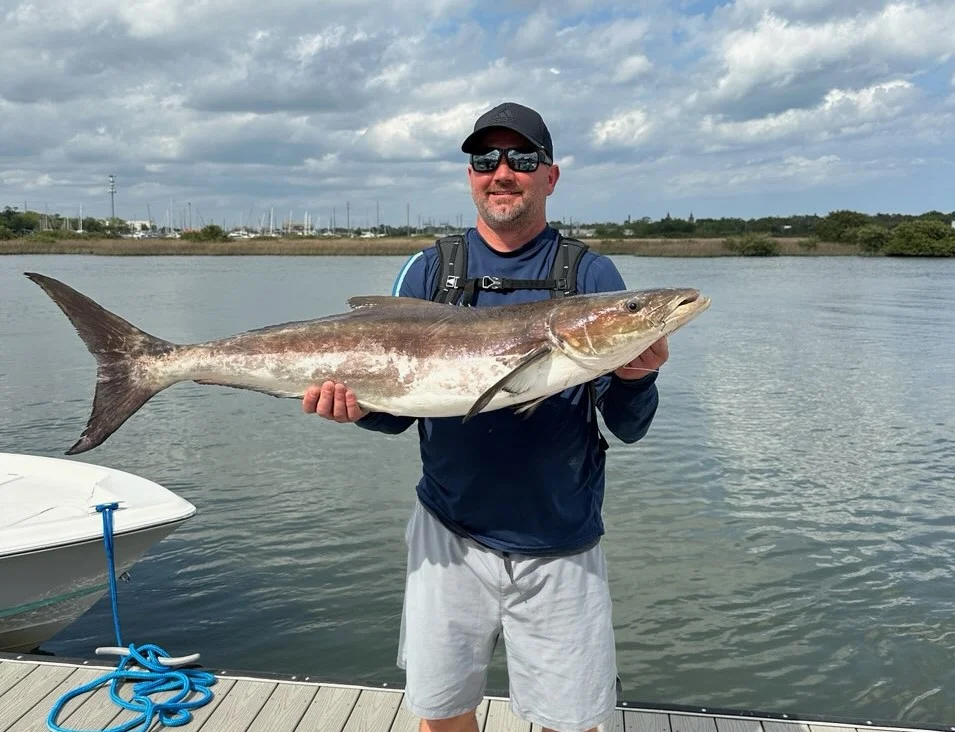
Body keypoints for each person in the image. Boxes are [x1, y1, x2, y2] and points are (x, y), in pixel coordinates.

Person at [303, 102, 669, 732]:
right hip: (447, 531)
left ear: (550, 176)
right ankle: (156, 364)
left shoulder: (590, 276)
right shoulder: (430, 271)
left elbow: (628, 426)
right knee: (441, 715)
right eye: (485, 160)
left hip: (562, 540)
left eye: (522, 159)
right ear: (470, 176)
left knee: (574, 722)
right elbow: (397, 418)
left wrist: (638, 377)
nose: (503, 172)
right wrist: (355, 408)